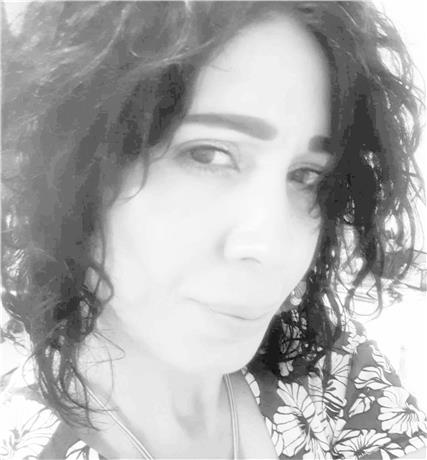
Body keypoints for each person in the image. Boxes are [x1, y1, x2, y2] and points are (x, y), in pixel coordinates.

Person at [1, 1, 426, 458]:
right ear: (72, 167)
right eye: (207, 154)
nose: (273, 247)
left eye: (306, 175)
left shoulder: (330, 368)